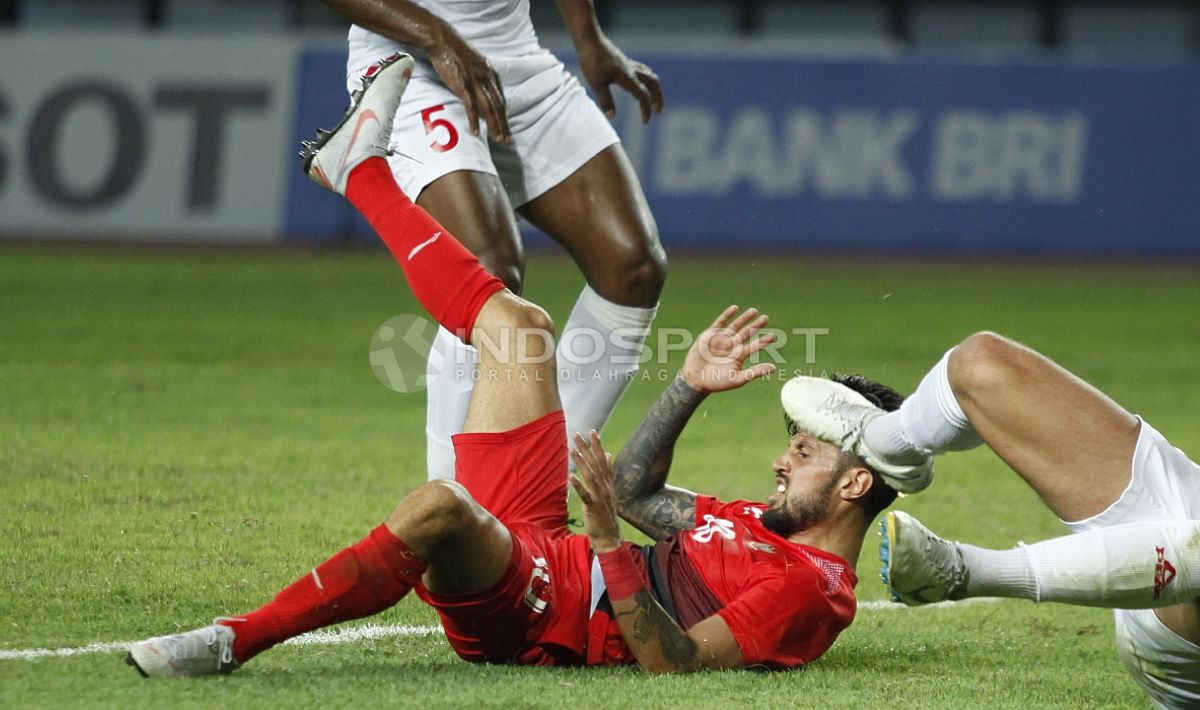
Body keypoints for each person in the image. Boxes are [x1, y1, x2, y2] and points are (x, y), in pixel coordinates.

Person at [125, 55, 917, 676]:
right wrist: (687, 386)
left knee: (438, 508)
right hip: (546, 541)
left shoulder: (812, 590)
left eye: (805, 453)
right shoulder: (760, 523)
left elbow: (674, 666)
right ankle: (360, 170)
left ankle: (234, 640)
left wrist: (606, 540)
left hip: (538, 611)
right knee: (519, 325)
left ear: (854, 483)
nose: (781, 461)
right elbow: (638, 490)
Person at [319, 0, 667, 480]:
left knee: (633, 265)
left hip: (516, 57)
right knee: (487, 272)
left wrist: (588, 38)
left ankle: (538, 492)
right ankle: (453, 506)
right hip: (412, 63)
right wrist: (439, 37)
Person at [782, 333, 1200, 707]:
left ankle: (964, 572)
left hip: (1180, 603)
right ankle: (885, 442)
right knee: (981, 363)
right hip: (1180, 515)